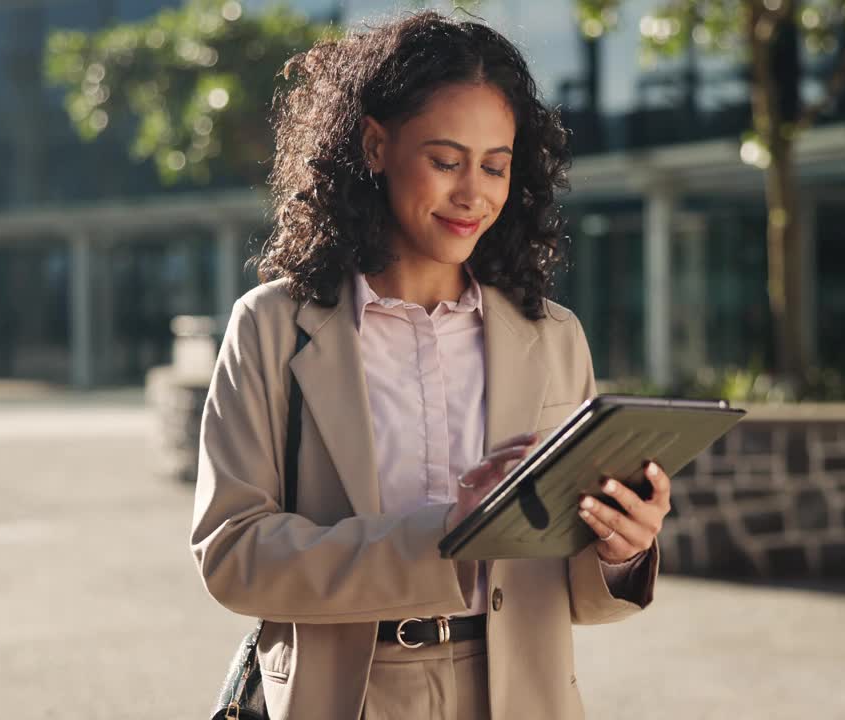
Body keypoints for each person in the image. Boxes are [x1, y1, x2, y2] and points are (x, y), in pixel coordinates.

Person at [191, 11, 670, 720]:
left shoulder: (554, 337)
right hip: (344, 697)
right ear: (376, 145)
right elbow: (234, 556)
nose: (473, 193)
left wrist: (621, 549)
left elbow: (575, 592)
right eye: (446, 161)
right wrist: (445, 537)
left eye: (495, 166)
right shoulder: (271, 327)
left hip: (518, 695)